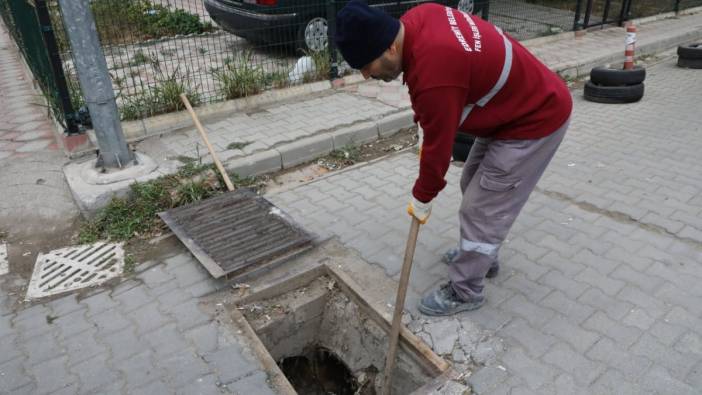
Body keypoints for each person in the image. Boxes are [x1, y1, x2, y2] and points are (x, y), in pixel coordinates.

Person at [335, 0, 573, 316]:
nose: (366, 76)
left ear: (391, 48)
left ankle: (466, 290)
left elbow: (439, 148)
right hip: (509, 109)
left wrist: (422, 196)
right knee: (471, 182)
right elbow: (436, 114)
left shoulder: (435, 71)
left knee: (481, 206)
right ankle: (480, 255)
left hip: (535, 118)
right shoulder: (419, 18)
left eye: (367, 66)